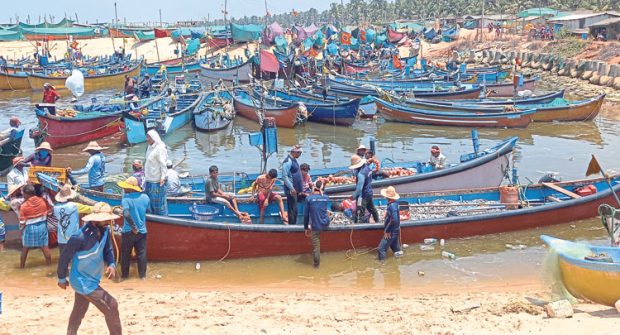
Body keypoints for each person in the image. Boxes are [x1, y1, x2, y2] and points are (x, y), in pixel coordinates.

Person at [57, 202, 122, 335]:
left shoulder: (105, 231)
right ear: (96, 220)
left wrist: (111, 264)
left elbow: (108, 250)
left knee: (79, 310)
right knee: (112, 306)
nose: (109, 221)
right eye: (105, 219)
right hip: (81, 280)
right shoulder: (79, 237)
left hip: (92, 278)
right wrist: (62, 278)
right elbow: (64, 258)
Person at [117, 177, 150, 280]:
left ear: (128, 189)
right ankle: (142, 277)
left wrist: (133, 227)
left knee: (125, 254)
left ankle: (125, 276)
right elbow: (148, 210)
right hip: (142, 231)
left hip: (129, 231)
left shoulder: (126, 199)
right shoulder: (145, 198)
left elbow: (126, 214)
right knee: (141, 254)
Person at [19, 184, 52, 268]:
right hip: (42, 226)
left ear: (27, 194)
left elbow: (22, 222)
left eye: (23, 193)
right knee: (45, 247)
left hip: (29, 228)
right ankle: (49, 266)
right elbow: (50, 213)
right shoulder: (43, 200)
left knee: (25, 248)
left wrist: (22, 229)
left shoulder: (23, 206)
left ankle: (21, 268)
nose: (22, 195)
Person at [54, 184, 92, 254]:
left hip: (61, 240)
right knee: (75, 260)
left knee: (64, 261)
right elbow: (91, 209)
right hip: (74, 238)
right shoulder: (74, 206)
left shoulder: (55, 207)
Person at [303, 180, 330, 268]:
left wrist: (306, 227)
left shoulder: (308, 199)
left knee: (316, 247)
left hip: (315, 226)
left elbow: (306, 215)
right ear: (322, 188)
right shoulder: (326, 197)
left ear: (313, 188)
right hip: (326, 223)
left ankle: (316, 266)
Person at [144, 130, 168, 215]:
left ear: (154, 137)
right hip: (149, 180)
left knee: (159, 205)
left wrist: (162, 178)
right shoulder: (149, 147)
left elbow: (163, 164)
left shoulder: (160, 148)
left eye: (149, 137)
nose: (147, 139)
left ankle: (162, 221)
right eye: (147, 137)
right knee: (149, 204)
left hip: (157, 182)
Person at [349, 155, 379, 224]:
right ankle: (377, 221)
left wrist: (353, 196)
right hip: (369, 192)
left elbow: (359, 189)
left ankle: (359, 227)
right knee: (372, 209)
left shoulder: (361, 174)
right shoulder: (367, 167)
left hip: (363, 196)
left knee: (359, 213)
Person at [378, 186, 402, 262]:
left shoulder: (391, 206)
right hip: (395, 229)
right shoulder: (394, 203)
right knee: (396, 249)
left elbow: (394, 219)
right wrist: (387, 214)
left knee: (381, 249)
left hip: (391, 231)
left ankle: (382, 265)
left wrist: (387, 230)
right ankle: (399, 264)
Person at [281, 145, 304, 225]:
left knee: (295, 210)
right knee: (292, 210)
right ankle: (291, 226)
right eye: (299, 153)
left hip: (296, 190)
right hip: (291, 190)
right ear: (294, 152)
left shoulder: (294, 160)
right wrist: (291, 188)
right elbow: (284, 176)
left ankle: (293, 224)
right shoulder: (288, 161)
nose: (300, 155)